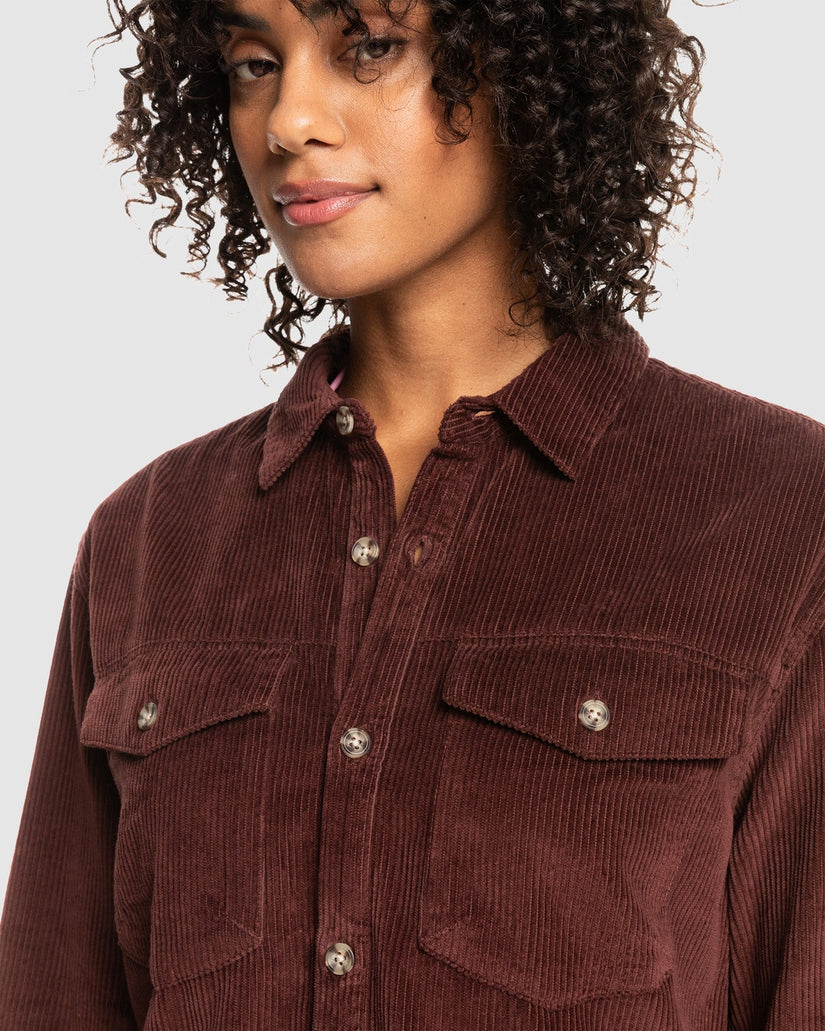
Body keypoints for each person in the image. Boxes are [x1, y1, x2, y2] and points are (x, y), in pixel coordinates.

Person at [0, 0, 822, 1027]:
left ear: (526, 68)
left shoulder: (781, 515)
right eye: (253, 64)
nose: (288, 120)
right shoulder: (149, 537)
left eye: (370, 47)